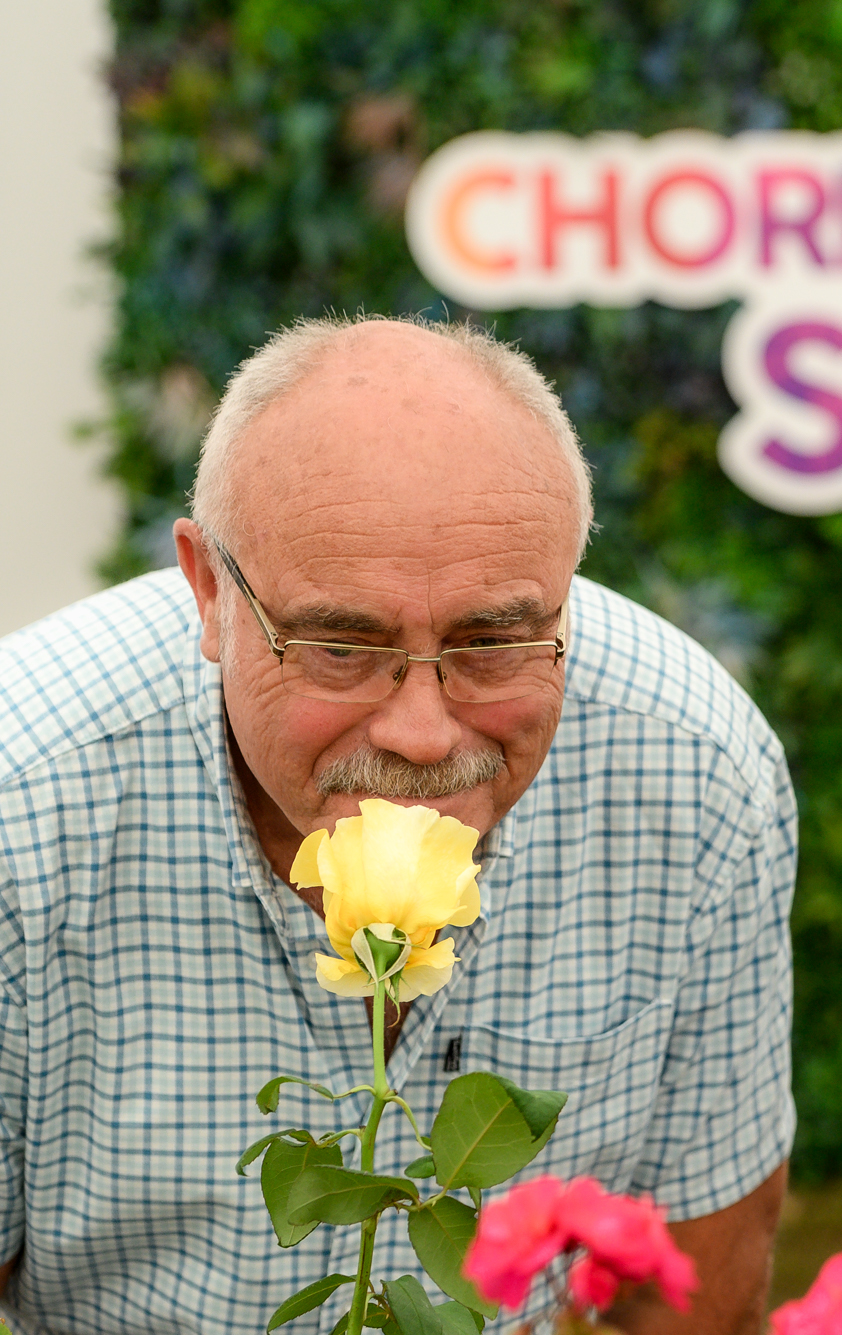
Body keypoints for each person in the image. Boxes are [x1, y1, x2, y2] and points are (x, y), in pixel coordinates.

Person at [0, 316, 797, 1334]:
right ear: (209, 593)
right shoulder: (24, 814)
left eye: (492, 642)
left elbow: (698, 1282)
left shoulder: (694, 775)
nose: (423, 734)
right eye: (338, 645)